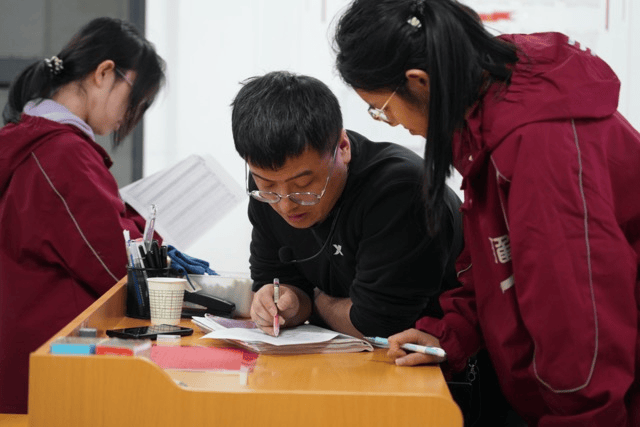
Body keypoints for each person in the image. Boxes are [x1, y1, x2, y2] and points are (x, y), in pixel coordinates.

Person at [333, 0, 640, 426]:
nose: (387, 122)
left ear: (419, 82)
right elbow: (497, 256)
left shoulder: (537, 145)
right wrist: (451, 333)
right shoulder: (488, 109)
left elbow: (578, 314)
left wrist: (583, 417)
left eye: (380, 109)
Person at [0, 17, 165, 413]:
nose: (131, 115)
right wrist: (153, 234)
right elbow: (117, 267)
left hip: (25, 355)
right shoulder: (62, 155)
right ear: (104, 73)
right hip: (53, 368)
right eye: (135, 99)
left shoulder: (27, 140)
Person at [231, 71, 463, 340]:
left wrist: (315, 301)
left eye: (303, 184)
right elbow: (277, 281)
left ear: (342, 147)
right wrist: (282, 303)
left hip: (442, 353)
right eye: (268, 185)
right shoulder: (267, 191)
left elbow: (378, 325)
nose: (285, 204)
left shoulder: (399, 191)